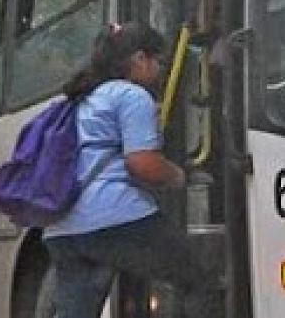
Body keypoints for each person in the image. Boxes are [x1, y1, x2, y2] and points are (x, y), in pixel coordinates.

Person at [43, 22, 222, 318]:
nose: (160, 70)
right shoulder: (132, 96)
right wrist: (179, 176)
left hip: (62, 228)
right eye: (158, 61)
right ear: (140, 59)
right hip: (114, 217)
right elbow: (142, 164)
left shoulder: (83, 98)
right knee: (199, 280)